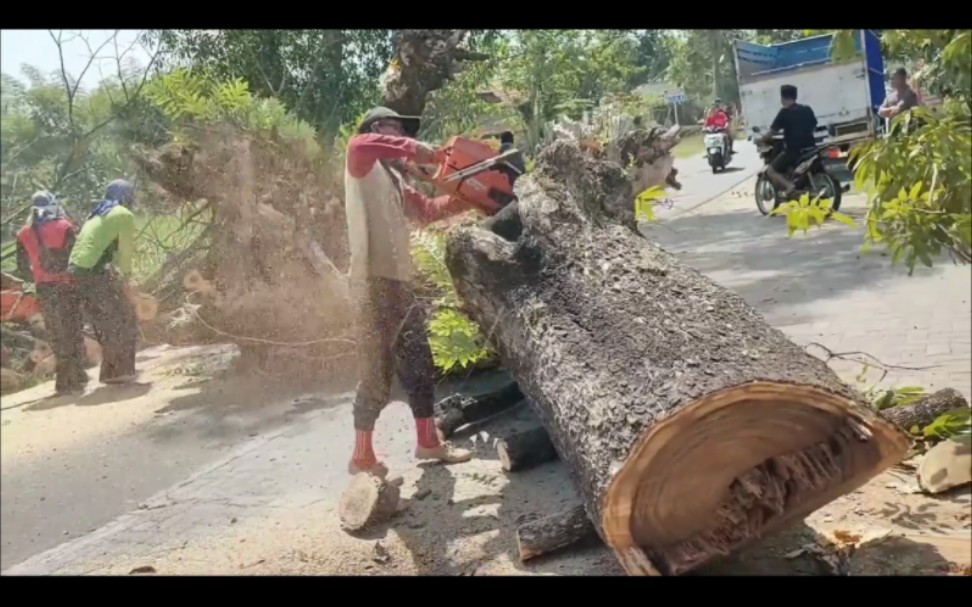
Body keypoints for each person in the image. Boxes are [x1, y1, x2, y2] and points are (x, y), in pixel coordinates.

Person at [344, 106, 476, 478]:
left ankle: (427, 443)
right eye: (394, 128)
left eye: (402, 129)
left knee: (420, 363)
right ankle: (362, 457)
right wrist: (424, 150)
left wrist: (467, 194)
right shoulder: (362, 161)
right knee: (376, 372)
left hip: (397, 284)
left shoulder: (395, 183)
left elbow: (430, 210)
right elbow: (362, 144)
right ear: (376, 129)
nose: (400, 132)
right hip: (372, 283)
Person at [67, 179, 140, 385]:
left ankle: (111, 371)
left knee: (105, 321)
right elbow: (125, 252)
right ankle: (119, 372)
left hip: (78, 272)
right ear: (126, 195)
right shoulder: (123, 214)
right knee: (122, 317)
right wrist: (127, 279)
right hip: (92, 271)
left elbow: (106, 249)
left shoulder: (98, 213)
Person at [15, 192, 88, 394]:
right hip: (67, 285)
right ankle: (74, 377)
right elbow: (78, 257)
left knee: (56, 333)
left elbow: (22, 267)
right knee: (73, 330)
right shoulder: (65, 227)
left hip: (44, 289)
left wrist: (39, 275)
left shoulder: (23, 234)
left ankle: (68, 379)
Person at [762, 84, 818, 196]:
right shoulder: (807, 109)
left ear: (782, 98)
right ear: (795, 96)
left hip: (794, 151)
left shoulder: (784, 112)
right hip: (811, 148)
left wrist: (763, 138)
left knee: (771, 171)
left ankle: (789, 186)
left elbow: (773, 131)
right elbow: (813, 125)